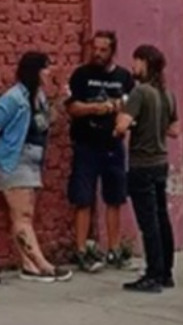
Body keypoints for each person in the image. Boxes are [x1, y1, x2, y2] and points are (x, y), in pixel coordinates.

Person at [0, 52, 73, 282]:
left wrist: (60, 98)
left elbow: (45, 123)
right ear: (34, 71)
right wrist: (4, 152)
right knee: (22, 215)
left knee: (24, 215)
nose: (48, 72)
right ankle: (42, 265)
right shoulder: (14, 98)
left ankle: (28, 265)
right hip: (14, 161)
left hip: (33, 160)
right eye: (45, 68)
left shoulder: (39, 96)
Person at [66, 31, 136, 273]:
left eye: (103, 49)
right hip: (86, 144)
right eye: (94, 48)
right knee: (83, 199)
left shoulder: (124, 77)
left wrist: (120, 112)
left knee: (115, 198)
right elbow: (72, 108)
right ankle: (82, 250)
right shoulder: (81, 75)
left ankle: (114, 249)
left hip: (113, 146)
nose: (97, 53)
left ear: (112, 51)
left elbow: (131, 107)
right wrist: (97, 108)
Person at [115, 45, 179, 292]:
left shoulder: (140, 92)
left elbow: (122, 126)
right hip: (161, 162)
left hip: (142, 163)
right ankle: (166, 272)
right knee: (162, 218)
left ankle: (152, 273)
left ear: (144, 63)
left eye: (135, 62)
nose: (133, 67)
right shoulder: (167, 94)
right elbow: (174, 130)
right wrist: (155, 125)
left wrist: (125, 116)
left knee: (148, 222)